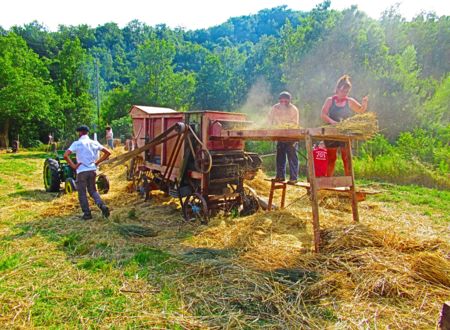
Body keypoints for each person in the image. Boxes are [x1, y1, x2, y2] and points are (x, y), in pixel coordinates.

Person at [321, 75, 368, 176]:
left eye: (346, 92)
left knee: (346, 158)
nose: (344, 94)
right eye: (342, 91)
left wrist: (364, 104)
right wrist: (332, 122)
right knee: (331, 158)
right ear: (337, 89)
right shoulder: (330, 100)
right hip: (331, 132)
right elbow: (323, 114)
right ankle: (328, 182)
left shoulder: (349, 101)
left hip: (344, 132)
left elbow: (360, 110)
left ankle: (349, 184)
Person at [64, 125, 111, 220]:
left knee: (82, 193)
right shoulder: (94, 142)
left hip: (82, 171)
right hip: (92, 170)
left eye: (78, 132)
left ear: (80, 133)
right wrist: (97, 162)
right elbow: (108, 152)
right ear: (87, 132)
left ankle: (87, 214)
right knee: (93, 190)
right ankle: (102, 206)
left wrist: (73, 166)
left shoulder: (77, 143)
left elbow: (66, 155)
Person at [268, 91, 300, 184]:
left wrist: (286, 125)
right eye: (281, 101)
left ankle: (294, 178)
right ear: (279, 100)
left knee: (292, 157)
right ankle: (280, 176)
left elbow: (295, 123)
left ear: (289, 101)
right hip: (280, 135)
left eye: (285, 101)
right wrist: (270, 128)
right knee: (280, 157)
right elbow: (270, 119)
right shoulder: (275, 108)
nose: (283, 103)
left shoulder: (293, 109)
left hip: (291, 136)